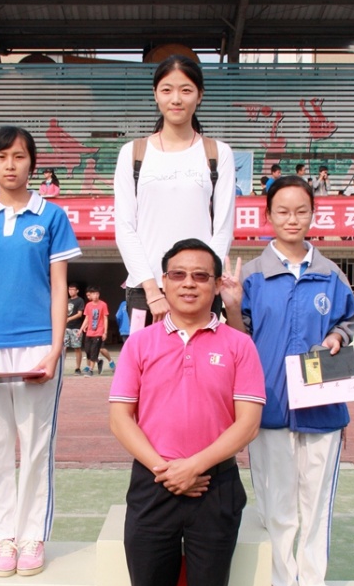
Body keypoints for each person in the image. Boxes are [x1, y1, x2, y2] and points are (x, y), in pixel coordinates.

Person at [109, 238, 265, 586]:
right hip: (152, 486)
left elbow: (248, 423)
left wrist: (195, 466)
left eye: (201, 275)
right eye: (178, 275)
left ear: (217, 284)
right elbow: (120, 418)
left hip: (215, 487)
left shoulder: (239, 346)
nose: (189, 284)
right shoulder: (140, 344)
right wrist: (165, 469)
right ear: (164, 283)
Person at [221, 176, 354, 586]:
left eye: (301, 210)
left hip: (323, 405)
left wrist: (337, 338)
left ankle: (314, 584)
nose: (292, 219)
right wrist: (232, 306)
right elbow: (240, 342)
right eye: (283, 211)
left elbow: (346, 323)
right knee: (277, 503)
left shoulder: (331, 273)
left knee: (316, 503)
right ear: (268, 216)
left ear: (313, 214)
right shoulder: (251, 275)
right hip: (270, 406)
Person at [0, 126, 81, 577]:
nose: (10, 164)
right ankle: (3, 536)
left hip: (37, 345)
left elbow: (60, 287)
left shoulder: (52, 217)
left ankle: (32, 537)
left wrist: (55, 349)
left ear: (32, 164)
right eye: (2, 157)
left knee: (37, 444)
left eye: (19, 156)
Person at [114, 54, 236, 326]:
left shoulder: (218, 153)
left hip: (199, 289)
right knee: (144, 356)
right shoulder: (133, 153)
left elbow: (223, 229)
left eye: (186, 90)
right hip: (145, 292)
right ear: (155, 95)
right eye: (167, 90)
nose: (176, 99)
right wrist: (151, 290)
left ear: (200, 95)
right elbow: (125, 228)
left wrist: (204, 282)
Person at [80, 286, 115, 375]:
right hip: (89, 332)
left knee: (97, 350)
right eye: (92, 294)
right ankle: (98, 361)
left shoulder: (103, 305)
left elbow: (105, 318)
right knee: (88, 350)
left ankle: (91, 369)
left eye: (96, 294)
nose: (94, 296)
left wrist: (105, 332)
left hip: (99, 332)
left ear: (99, 294)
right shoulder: (88, 305)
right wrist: (81, 329)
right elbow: (87, 317)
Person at [64, 282, 85, 375]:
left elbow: (80, 314)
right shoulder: (67, 300)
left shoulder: (80, 300)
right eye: (69, 289)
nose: (70, 291)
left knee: (77, 348)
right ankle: (61, 366)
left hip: (76, 327)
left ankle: (77, 368)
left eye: (73, 290)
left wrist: (69, 319)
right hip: (66, 327)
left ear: (77, 291)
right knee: (64, 347)